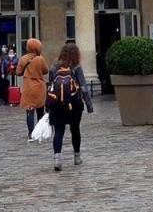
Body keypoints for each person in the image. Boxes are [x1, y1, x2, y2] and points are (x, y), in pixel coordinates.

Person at [47, 42, 94, 171]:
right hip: (74, 104)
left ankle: (57, 159)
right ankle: (77, 157)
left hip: (57, 104)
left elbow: (50, 86)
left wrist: (48, 105)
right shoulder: (76, 67)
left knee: (59, 131)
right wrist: (89, 105)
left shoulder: (54, 67)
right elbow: (83, 87)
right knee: (75, 129)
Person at [16, 38, 49, 141]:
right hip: (39, 87)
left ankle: (31, 133)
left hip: (29, 87)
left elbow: (18, 72)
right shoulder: (40, 59)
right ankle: (40, 132)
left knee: (30, 111)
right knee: (40, 111)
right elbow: (45, 71)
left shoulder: (23, 59)